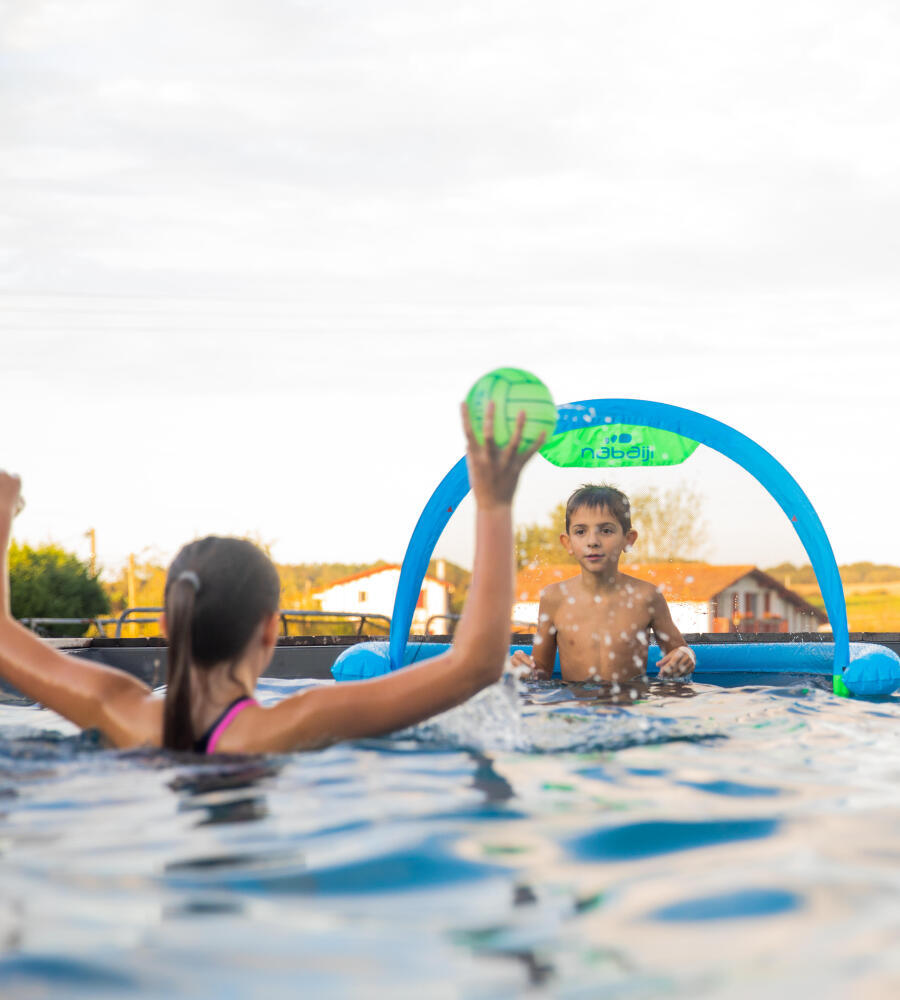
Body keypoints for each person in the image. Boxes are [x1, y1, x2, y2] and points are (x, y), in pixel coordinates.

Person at [0, 404, 543, 754]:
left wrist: (3, 520)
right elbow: (473, 664)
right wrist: (494, 503)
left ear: (168, 625)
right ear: (269, 631)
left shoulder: (112, 706)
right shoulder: (293, 724)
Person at [511, 484, 696, 684]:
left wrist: (686, 656)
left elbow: (679, 650)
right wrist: (524, 668)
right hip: (575, 707)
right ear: (568, 543)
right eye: (581, 532)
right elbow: (541, 672)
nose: (593, 541)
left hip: (630, 707)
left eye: (606, 531)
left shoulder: (646, 596)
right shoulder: (554, 597)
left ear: (628, 540)